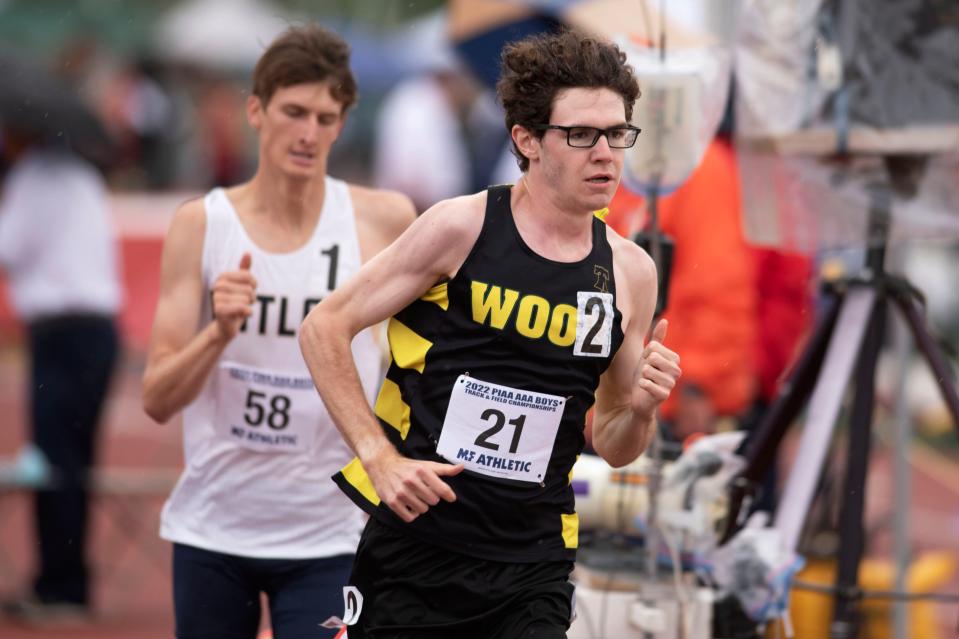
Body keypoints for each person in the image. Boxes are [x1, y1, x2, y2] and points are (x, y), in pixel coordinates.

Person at [299, 29, 682, 638]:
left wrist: (640, 409)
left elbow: (614, 443)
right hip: (417, 547)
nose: (606, 153)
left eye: (617, 133)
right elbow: (324, 327)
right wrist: (378, 457)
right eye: (581, 135)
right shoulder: (461, 227)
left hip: (534, 563)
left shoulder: (632, 272)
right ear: (526, 140)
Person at [140, 25, 415, 639]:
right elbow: (156, 399)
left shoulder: (383, 219)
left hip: (332, 534)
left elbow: (430, 350)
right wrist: (218, 333)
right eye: (293, 112)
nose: (308, 133)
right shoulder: (201, 225)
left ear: (342, 124)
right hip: (214, 530)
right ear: (256, 112)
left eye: (325, 116)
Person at [0, 127, 121, 622]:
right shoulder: (85, 175)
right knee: (76, 460)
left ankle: (61, 586)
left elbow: (6, 248)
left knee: (55, 462)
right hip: (98, 331)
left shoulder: (32, 178)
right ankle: (67, 579)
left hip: (60, 334)